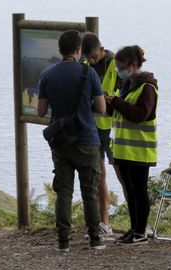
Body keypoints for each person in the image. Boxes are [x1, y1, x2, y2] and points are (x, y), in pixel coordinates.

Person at [37, 30, 106, 252]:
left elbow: (40, 111)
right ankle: (95, 238)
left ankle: (63, 241)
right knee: (90, 191)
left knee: (64, 191)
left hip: (61, 142)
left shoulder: (47, 74)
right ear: (78, 50)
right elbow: (102, 108)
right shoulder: (89, 73)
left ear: (59, 49)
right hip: (87, 139)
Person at [105, 45, 158, 245]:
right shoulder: (128, 85)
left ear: (133, 65)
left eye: (121, 67)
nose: (119, 71)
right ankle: (134, 229)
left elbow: (139, 114)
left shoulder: (147, 87)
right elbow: (122, 113)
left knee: (139, 191)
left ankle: (141, 231)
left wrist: (117, 102)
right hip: (124, 150)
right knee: (130, 191)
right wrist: (111, 104)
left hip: (140, 151)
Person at [81, 32, 122, 239]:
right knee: (98, 175)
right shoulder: (85, 66)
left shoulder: (116, 64)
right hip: (93, 127)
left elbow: (123, 97)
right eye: (87, 57)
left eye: (94, 56)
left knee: (123, 173)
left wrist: (108, 102)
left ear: (101, 49)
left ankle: (139, 223)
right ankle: (103, 222)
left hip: (113, 128)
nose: (91, 60)